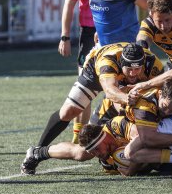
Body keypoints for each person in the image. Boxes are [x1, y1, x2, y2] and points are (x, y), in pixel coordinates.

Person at [20, 42, 163, 175]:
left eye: (137, 69)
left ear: (143, 64)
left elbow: (163, 92)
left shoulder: (153, 65)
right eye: (129, 69)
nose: (133, 73)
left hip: (129, 109)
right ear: (121, 64)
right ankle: (38, 152)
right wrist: (127, 99)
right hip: (96, 71)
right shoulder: (108, 62)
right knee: (70, 116)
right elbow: (110, 90)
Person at [20, 79, 172, 178]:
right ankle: (38, 152)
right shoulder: (142, 109)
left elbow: (144, 141)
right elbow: (145, 138)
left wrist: (132, 168)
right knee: (83, 153)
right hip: (107, 114)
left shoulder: (161, 101)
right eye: (166, 106)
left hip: (125, 122)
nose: (168, 111)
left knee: (134, 154)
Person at [59, 0, 135, 144]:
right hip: (90, 34)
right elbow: (70, 2)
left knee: (123, 84)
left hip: (119, 37)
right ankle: (79, 139)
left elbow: (133, 1)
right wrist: (65, 36)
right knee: (86, 84)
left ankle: (124, 133)